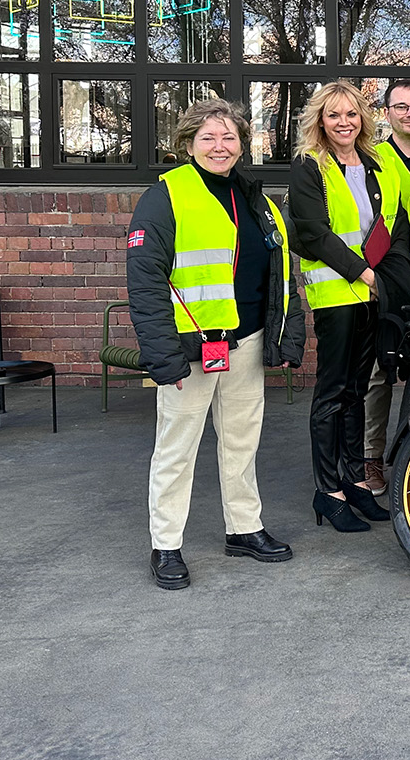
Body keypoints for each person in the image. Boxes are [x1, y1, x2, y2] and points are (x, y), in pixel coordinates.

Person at [126, 99, 304, 590]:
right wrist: (162, 353)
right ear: (187, 144)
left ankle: (243, 529)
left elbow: (284, 276)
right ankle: (166, 545)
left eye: (229, 137)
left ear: (242, 145)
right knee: (176, 449)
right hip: (191, 348)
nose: (219, 146)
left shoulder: (257, 199)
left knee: (242, 443)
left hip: (246, 341)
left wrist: (287, 335)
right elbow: (145, 280)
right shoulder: (165, 196)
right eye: (208, 137)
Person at [289, 81, 410, 533]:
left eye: (352, 114)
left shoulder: (380, 165)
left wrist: (387, 281)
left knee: (357, 392)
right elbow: (313, 233)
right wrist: (365, 274)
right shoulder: (309, 166)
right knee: (331, 393)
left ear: (363, 118)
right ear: (320, 120)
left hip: (372, 296)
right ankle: (329, 491)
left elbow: (396, 225)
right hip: (337, 296)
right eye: (334, 115)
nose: (344, 122)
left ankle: (356, 480)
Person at [361, 78, 410, 497]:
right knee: (379, 371)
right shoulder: (373, 160)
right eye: (401, 106)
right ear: (387, 113)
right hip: (386, 277)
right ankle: (372, 456)